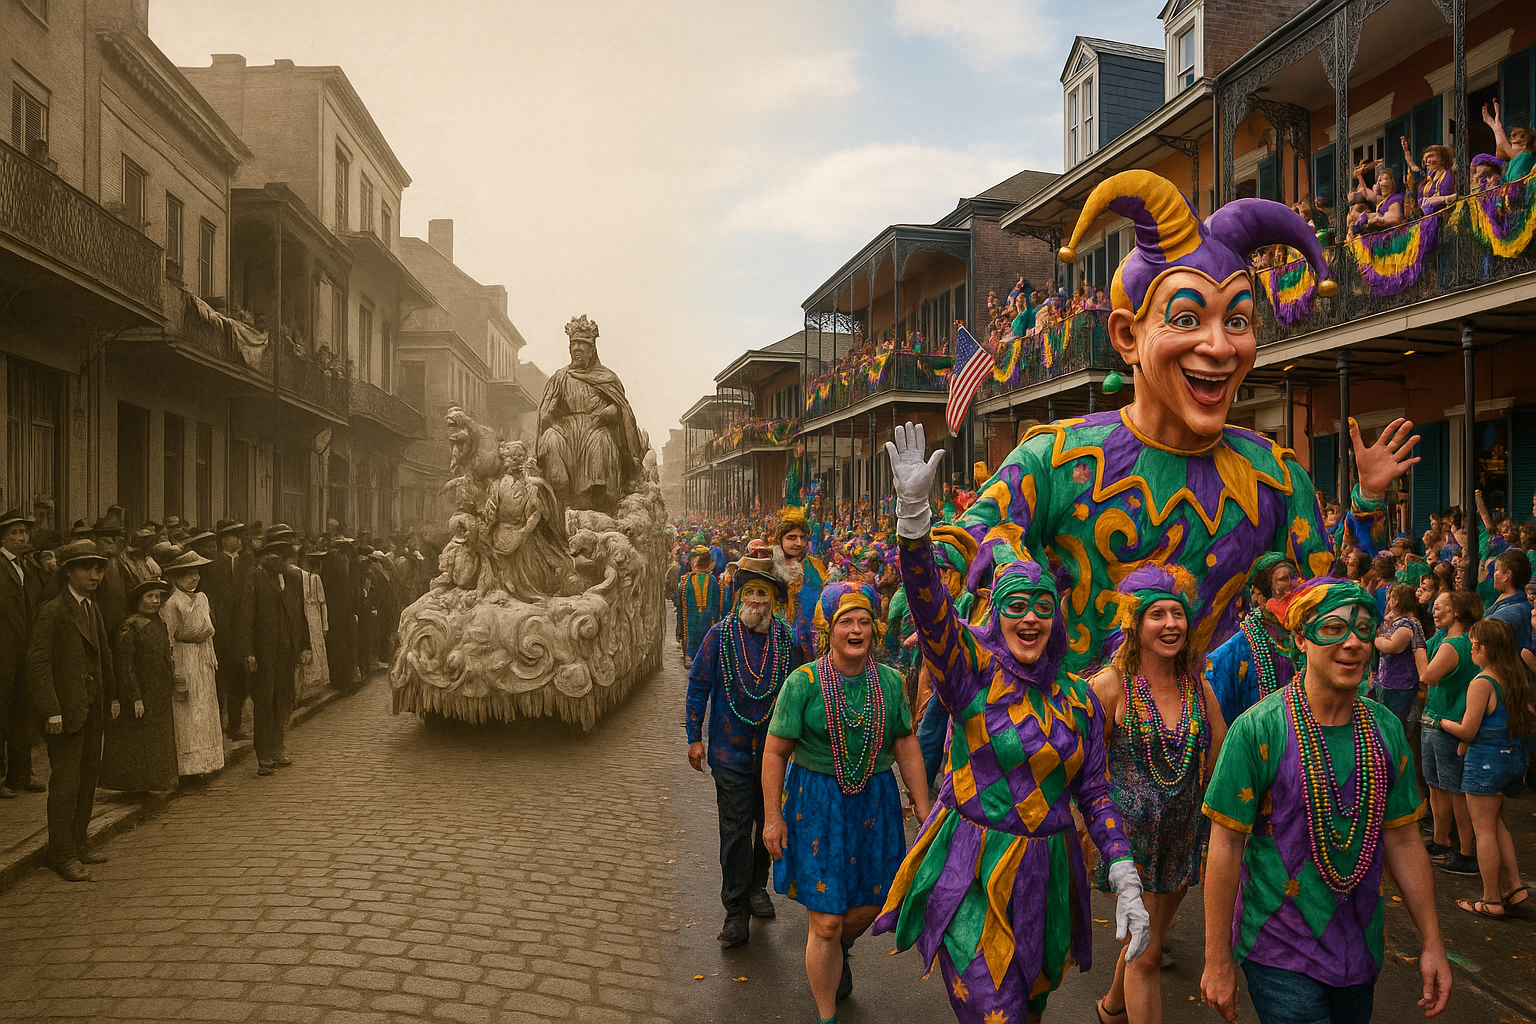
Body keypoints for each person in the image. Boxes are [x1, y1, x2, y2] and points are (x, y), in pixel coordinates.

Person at [935, 171, 1413, 682]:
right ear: (1127, 335)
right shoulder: (1054, 460)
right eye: (1186, 319)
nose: (1220, 347)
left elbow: (1321, 599)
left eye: (1237, 321)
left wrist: (1365, 502)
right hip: (1084, 726)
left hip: (1219, 725)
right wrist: (1000, 563)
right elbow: (962, 548)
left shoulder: (1276, 476)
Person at [873, 424, 1149, 1024]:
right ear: (995, 617)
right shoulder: (971, 674)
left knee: (1027, 1008)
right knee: (995, 1014)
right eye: (1015, 607)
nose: (1029, 619)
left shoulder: (1079, 700)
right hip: (972, 866)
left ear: (1057, 619)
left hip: (1047, 879)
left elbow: (1095, 792)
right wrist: (914, 525)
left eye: (1042, 608)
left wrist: (1122, 867)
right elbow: (931, 611)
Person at [1200, 577, 1451, 1024]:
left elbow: (1404, 841)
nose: (1352, 643)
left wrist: (1433, 943)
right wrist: (1216, 960)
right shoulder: (1258, 729)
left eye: (1363, 629)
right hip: (1279, 948)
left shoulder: (1386, 729)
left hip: (1360, 949)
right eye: (1333, 629)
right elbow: (1225, 845)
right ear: (1301, 638)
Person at [763, 580, 929, 1024]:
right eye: (845, 622)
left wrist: (923, 804)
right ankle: (827, 1015)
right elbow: (775, 752)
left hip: (875, 806)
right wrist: (772, 818)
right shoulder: (803, 682)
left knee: (869, 908)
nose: (856, 630)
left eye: (864, 622)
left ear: (875, 628)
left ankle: (839, 949)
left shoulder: (890, 681)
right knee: (827, 922)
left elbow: (906, 743)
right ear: (828, 630)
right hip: (816, 806)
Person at [1091, 565, 1226, 1024]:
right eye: (1157, 614)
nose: (1171, 624)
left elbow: (1220, 752)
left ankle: (1112, 1008)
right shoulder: (1110, 686)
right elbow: (1085, 770)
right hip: (1131, 844)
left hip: (1181, 836)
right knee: (1147, 953)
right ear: (1134, 624)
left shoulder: (1198, 686)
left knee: (1145, 939)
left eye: (1178, 614)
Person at [684, 545, 795, 948]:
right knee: (734, 832)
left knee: (767, 824)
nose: (757, 600)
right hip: (728, 753)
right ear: (740, 595)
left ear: (774, 600)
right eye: (751, 592)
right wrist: (694, 737)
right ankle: (735, 910)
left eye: (764, 593)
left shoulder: (786, 641)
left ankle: (756, 887)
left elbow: (800, 694)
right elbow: (698, 686)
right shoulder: (719, 637)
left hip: (773, 757)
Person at [27, 539, 118, 882]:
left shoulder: (92, 608)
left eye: (99, 568)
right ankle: (61, 854)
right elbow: (37, 663)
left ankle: (79, 843)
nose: (95, 575)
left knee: (87, 779)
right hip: (65, 714)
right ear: (68, 572)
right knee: (66, 783)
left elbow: (103, 656)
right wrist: (51, 710)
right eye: (86, 568)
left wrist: (111, 697)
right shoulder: (53, 610)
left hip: (91, 709)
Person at [1440, 618, 1532, 918]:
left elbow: (1468, 730)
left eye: (1474, 644)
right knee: (1496, 824)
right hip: (1511, 760)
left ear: (1485, 648)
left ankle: (1491, 899)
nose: (1471, 649)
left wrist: (1441, 722)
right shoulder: (1514, 677)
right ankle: (1515, 889)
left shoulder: (1482, 682)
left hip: (1485, 764)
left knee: (1484, 831)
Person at [1420, 589, 1482, 875]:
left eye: (1440, 607)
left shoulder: (1455, 644)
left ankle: (1463, 849)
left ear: (1456, 612)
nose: (1434, 611)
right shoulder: (1446, 638)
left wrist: (1416, 652)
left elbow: (1427, 676)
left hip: (1447, 722)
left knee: (1452, 789)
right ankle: (1441, 839)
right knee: (1436, 785)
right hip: (1438, 719)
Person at [240, 528, 311, 777]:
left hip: (287, 650)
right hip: (264, 652)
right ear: (267, 555)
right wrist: (248, 650)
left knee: (284, 698)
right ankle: (264, 755)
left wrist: (305, 645)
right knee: (264, 700)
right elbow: (246, 617)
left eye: (284, 555)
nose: (279, 560)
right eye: (275, 555)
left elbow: (299, 613)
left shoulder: (293, 578)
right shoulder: (255, 578)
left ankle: (278, 747)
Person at [100, 577, 179, 793]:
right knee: (139, 739)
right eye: (149, 596)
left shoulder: (158, 623)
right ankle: (136, 784)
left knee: (157, 737)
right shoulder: (130, 627)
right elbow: (125, 666)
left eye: (158, 597)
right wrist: (134, 696)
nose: (155, 601)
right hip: (141, 692)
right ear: (138, 601)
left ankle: (157, 780)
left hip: (159, 691)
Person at [1204, 552, 1298, 728]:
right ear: (1256, 594)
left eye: (1295, 579)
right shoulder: (1230, 656)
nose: (1293, 587)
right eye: (1283, 580)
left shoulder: (1306, 640)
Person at [161, 550, 224, 777]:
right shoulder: (171, 603)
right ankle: (189, 766)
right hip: (184, 659)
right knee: (188, 710)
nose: (195, 578)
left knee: (205, 708)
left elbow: (209, 628)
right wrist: (173, 669)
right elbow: (169, 637)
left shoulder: (202, 598)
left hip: (203, 660)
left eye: (196, 573)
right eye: (189, 574)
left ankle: (208, 762)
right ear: (177, 577)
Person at [0, 509, 44, 799]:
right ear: (3, 538)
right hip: (3, 651)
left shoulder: (28, 567)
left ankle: (20, 774)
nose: (21, 537)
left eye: (24, 532)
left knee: (22, 712)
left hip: (23, 651)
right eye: (15, 533)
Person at [203, 519, 251, 738]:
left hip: (240, 629)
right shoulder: (212, 563)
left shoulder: (246, 561)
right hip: (219, 630)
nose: (237, 540)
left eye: (238, 537)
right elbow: (207, 593)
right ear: (223, 540)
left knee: (238, 679)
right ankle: (216, 725)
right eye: (232, 536)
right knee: (219, 679)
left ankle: (235, 725)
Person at [772, 506, 829, 666]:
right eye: (791, 537)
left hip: (809, 648)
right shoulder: (768, 567)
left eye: (802, 538)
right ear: (779, 539)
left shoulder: (816, 567)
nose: (799, 543)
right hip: (775, 649)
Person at [1373, 583, 1428, 734]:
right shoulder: (1396, 621)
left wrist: (1376, 639)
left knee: (1395, 728)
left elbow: (1392, 647)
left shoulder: (1406, 624)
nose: (1388, 602)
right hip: (1389, 683)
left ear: (1396, 601)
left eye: (1390, 599)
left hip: (1400, 685)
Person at [295, 546, 331, 702]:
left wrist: (324, 624)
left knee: (316, 647)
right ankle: (306, 687)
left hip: (314, 614)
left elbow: (322, 603)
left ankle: (313, 686)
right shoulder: (301, 577)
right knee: (309, 647)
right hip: (307, 614)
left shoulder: (315, 579)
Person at [677, 546, 721, 668]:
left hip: (703, 619)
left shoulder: (709, 580)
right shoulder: (688, 580)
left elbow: (716, 602)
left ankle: (697, 658)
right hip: (694, 618)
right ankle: (694, 657)